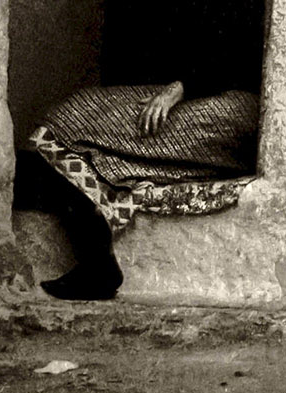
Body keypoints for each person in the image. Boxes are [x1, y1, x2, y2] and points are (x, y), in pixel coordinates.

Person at [14, 79, 259, 301]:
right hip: (204, 94)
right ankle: (97, 255)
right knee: (79, 111)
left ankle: (97, 259)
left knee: (70, 116)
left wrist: (178, 89)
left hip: (230, 106)